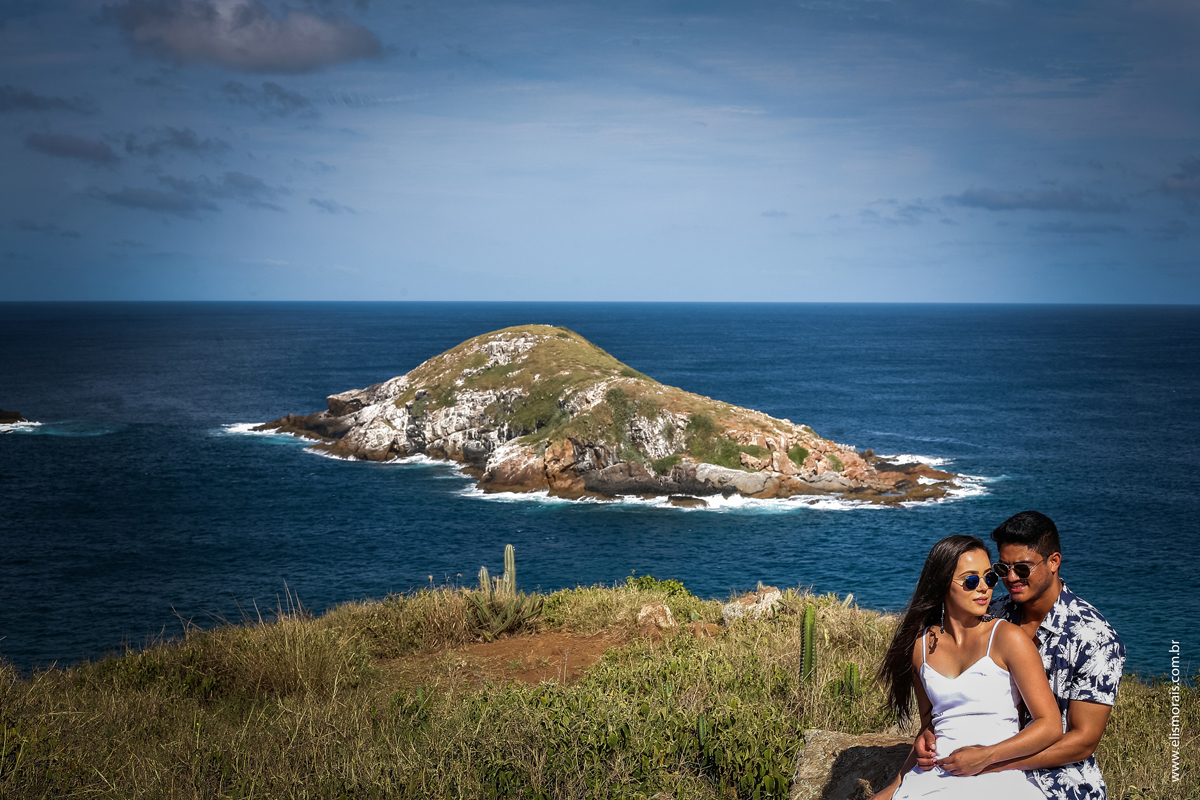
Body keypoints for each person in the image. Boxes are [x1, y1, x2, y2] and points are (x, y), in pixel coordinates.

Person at [915, 511, 1126, 800]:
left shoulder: (1094, 638)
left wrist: (990, 761)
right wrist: (928, 732)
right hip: (974, 765)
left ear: (1053, 562)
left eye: (1023, 569)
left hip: (1059, 779)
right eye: (1002, 570)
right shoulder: (994, 613)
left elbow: (1082, 742)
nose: (1010, 578)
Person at [870, 534, 1062, 799]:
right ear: (942, 585)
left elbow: (1050, 725)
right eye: (971, 580)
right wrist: (895, 785)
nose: (983, 587)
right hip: (933, 777)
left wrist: (985, 756)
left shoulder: (1008, 638)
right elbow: (931, 726)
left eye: (989, 577)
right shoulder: (920, 649)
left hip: (994, 777)